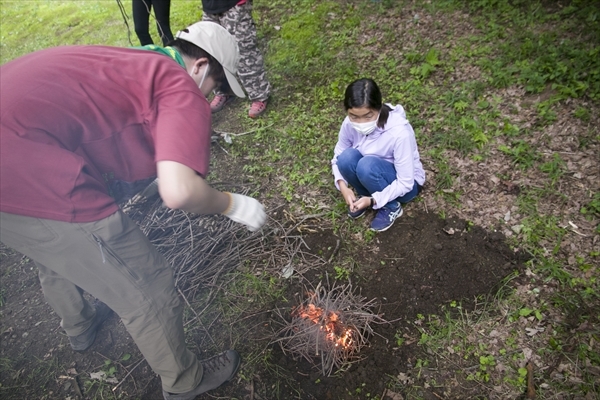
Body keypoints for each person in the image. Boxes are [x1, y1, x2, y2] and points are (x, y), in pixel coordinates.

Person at [0, 22, 265, 400]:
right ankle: (183, 382)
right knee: (148, 283)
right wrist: (231, 204)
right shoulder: (178, 85)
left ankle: (80, 326)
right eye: (218, 87)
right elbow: (180, 192)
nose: (211, 98)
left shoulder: (141, 58)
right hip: (26, 167)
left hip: (13, 157)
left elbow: (110, 121)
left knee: (54, 245)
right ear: (201, 66)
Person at [331, 78, 426, 232]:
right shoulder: (349, 123)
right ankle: (364, 197)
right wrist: (343, 186)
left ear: (379, 107)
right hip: (372, 175)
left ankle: (391, 206)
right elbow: (338, 155)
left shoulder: (399, 133)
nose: (360, 122)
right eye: (354, 116)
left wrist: (374, 200)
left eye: (368, 116)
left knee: (366, 165)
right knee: (346, 158)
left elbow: (406, 182)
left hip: (407, 186)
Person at [201, 0, 271, 118]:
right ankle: (224, 90)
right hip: (210, 6)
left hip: (235, 5)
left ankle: (259, 95)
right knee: (214, 50)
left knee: (244, 50)